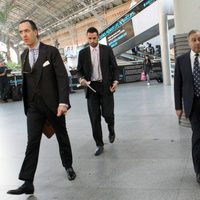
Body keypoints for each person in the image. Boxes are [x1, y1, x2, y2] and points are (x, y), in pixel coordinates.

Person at [7, 19, 76, 195]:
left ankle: (68, 165)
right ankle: (28, 181)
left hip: (54, 105)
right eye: (21, 32)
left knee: (61, 136)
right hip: (34, 107)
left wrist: (63, 102)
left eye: (27, 31)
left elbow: (61, 78)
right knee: (32, 142)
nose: (24, 35)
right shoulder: (23, 55)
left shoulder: (50, 52)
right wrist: (28, 105)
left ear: (36, 32)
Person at [77, 27, 119, 156]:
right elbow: (79, 71)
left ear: (98, 37)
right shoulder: (83, 53)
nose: (92, 41)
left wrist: (116, 81)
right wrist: (81, 79)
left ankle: (111, 128)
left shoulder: (107, 50)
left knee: (108, 114)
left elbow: (115, 67)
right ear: (87, 38)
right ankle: (99, 144)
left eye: (94, 38)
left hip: (106, 87)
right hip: (91, 89)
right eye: (89, 38)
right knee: (94, 118)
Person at [174, 29, 200, 184]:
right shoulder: (181, 60)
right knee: (197, 137)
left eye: (199, 39)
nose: (197, 42)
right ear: (189, 42)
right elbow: (177, 85)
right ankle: (199, 171)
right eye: (194, 40)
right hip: (193, 104)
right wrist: (178, 106)